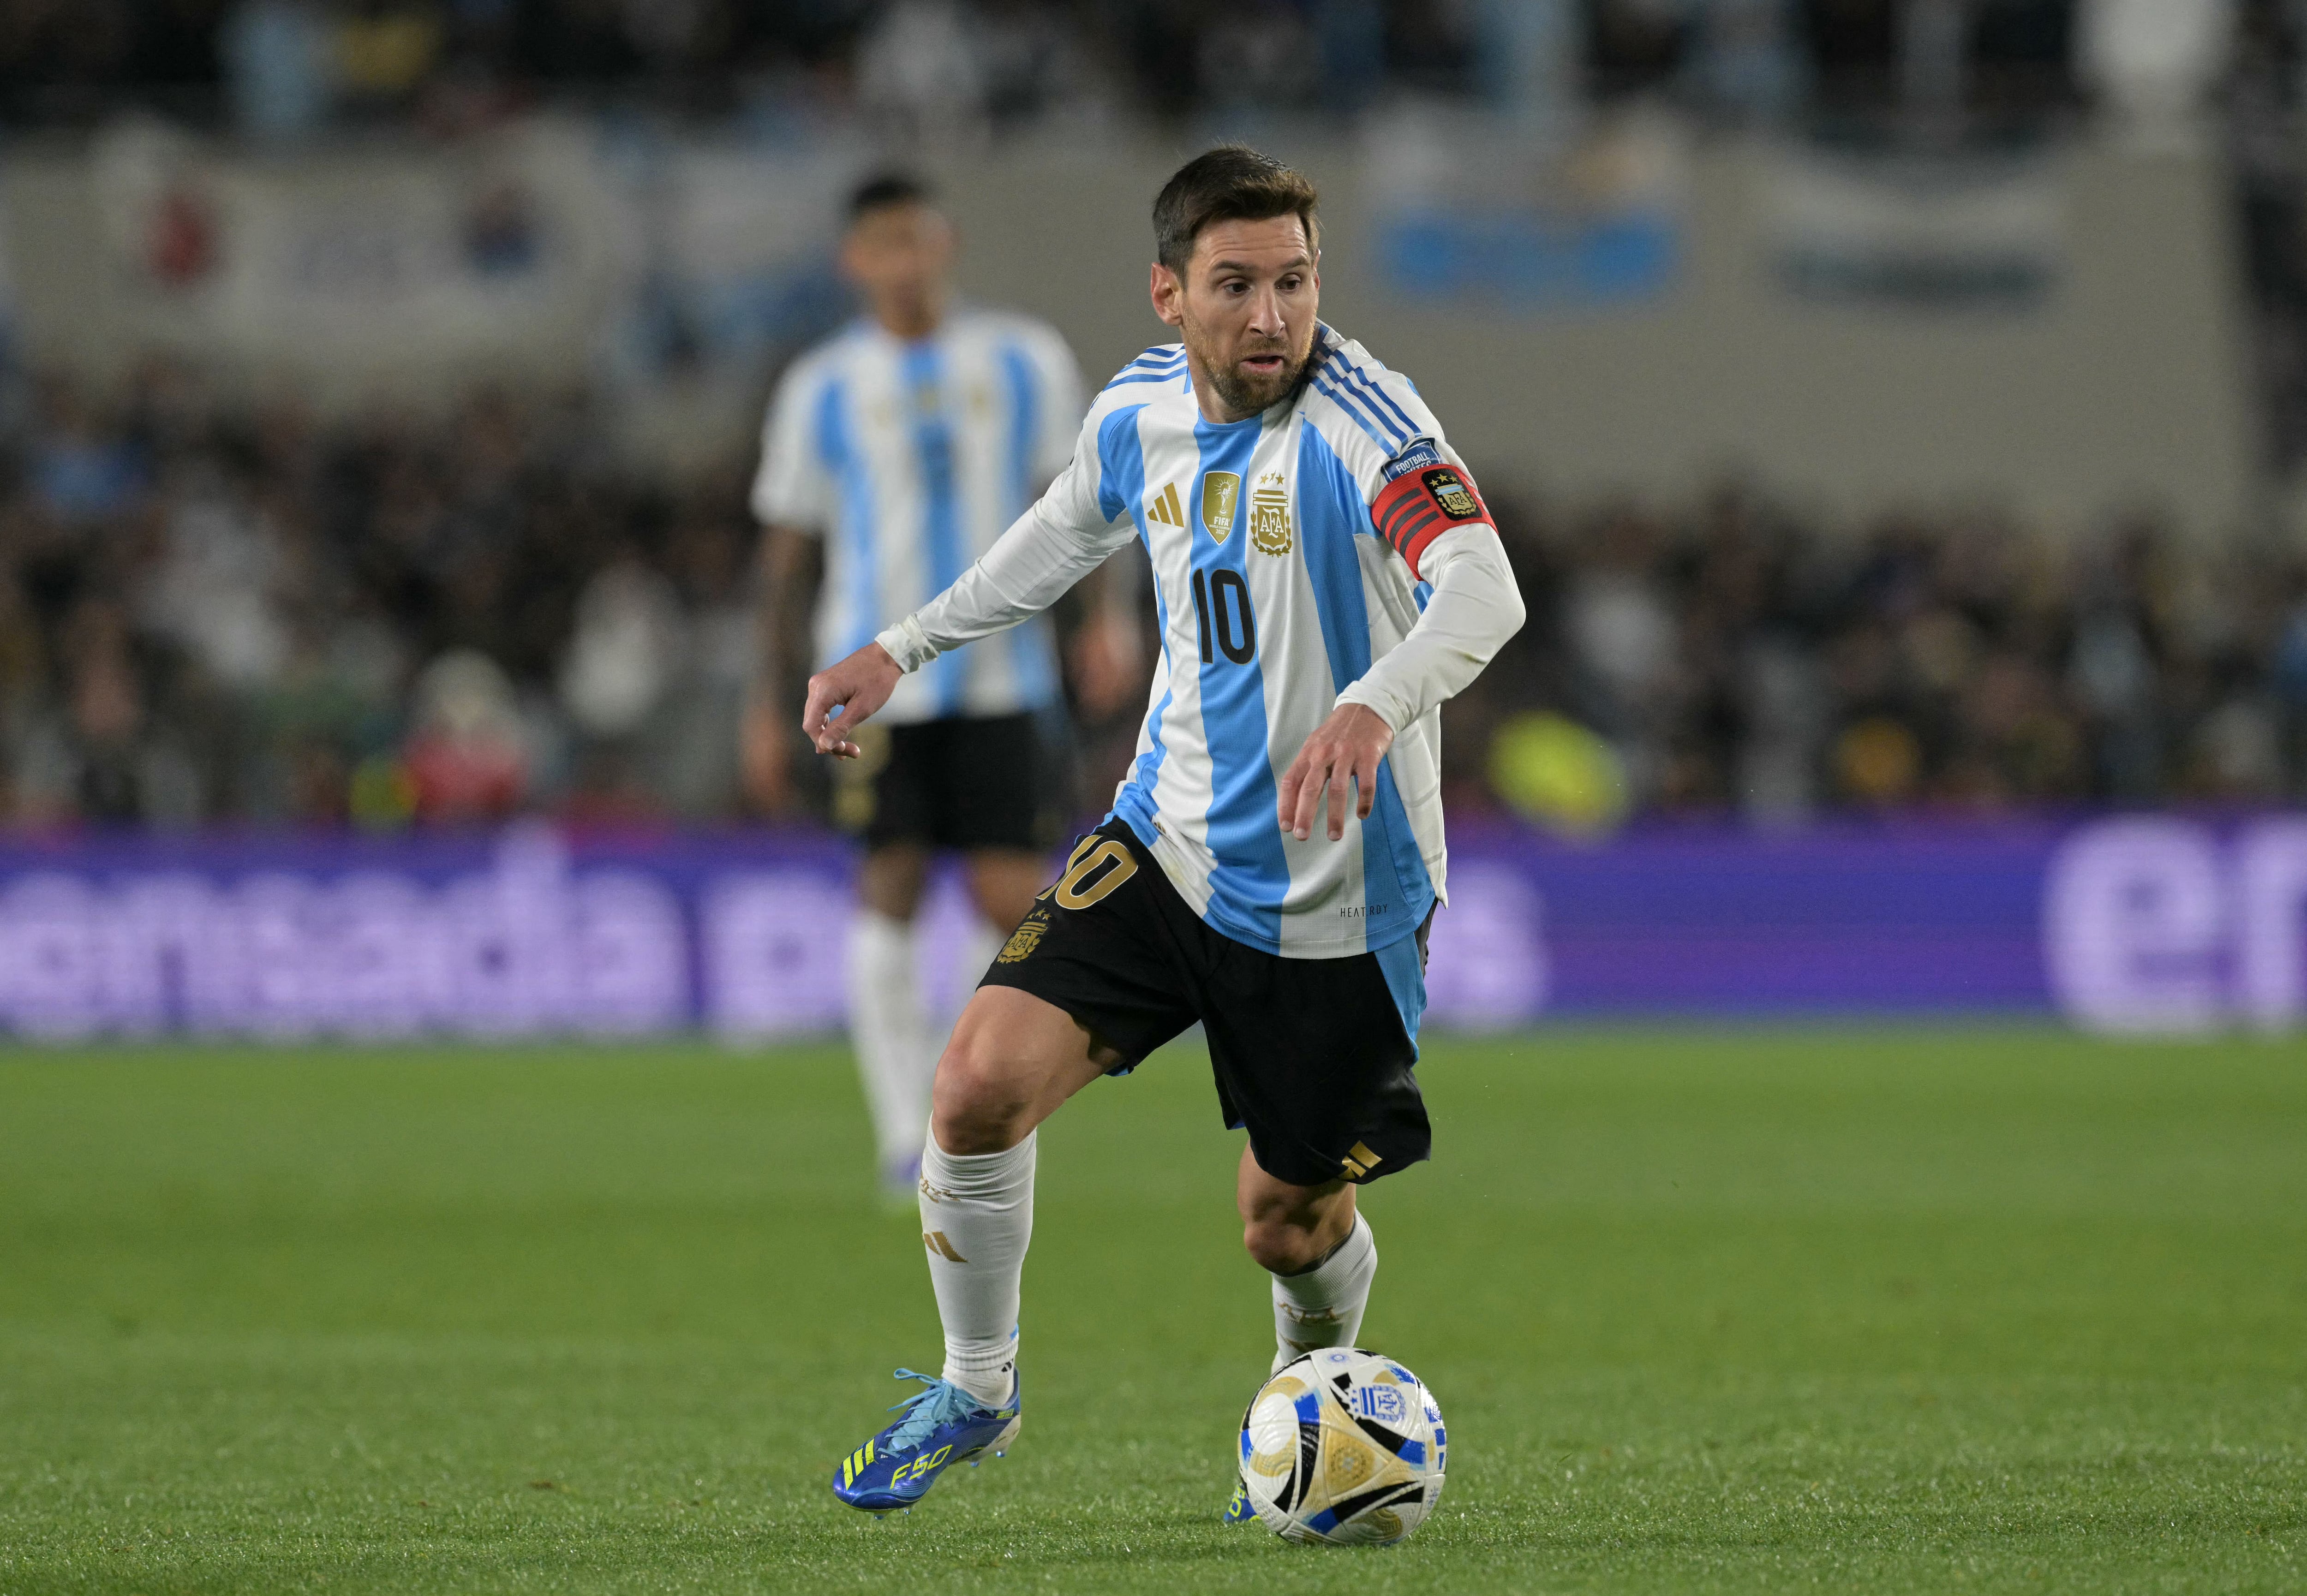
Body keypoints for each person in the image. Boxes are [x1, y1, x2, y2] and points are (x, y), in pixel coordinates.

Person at [802, 147, 1526, 1518]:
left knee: (1287, 1221)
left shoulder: (1367, 421)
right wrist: (903, 647)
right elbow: (1062, 533)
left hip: (1339, 897)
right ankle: (976, 1387)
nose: (1273, 318)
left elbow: (1483, 591)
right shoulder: (1138, 409)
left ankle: (1308, 1407)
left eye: (1296, 283)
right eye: (1237, 285)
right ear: (1168, 294)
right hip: (1170, 845)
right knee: (971, 1087)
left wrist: (1375, 702)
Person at [747, 173, 1139, 1200]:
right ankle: (898, 1137)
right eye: (882, 245)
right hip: (874, 682)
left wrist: (1109, 615)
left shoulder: (1023, 359)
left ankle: (959, 1108)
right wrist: (763, 696)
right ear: (854, 260)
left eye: (917, 241)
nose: (904, 262)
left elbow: (1086, 501)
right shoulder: (820, 385)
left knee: (1009, 894)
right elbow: (784, 554)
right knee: (891, 882)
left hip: (1004, 675)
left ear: (946, 245)